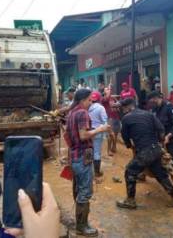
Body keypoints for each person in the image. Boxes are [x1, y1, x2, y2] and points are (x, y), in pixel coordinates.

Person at [116, 98, 173, 210]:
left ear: (128, 107)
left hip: (144, 151)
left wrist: (129, 145)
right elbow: (161, 129)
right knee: (160, 173)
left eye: (123, 107)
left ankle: (130, 201)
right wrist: (160, 143)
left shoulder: (126, 118)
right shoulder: (149, 114)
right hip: (156, 149)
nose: (123, 110)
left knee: (130, 171)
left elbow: (125, 136)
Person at [65, 89, 110, 236]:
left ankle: (81, 222)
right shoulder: (82, 113)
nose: (91, 103)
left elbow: (68, 135)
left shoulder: (71, 113)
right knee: (85, 191)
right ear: (83, 100)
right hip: (82, 155)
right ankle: (82, 226)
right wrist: (100, 129)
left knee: (78, 188)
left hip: (75, 155)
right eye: (90, 100)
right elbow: (84, 135)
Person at [147, 91, 173, 178]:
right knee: (161, 158)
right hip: (160, 138)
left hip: (171, 138)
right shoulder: (155, 109)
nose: (151, 103)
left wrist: (169, 136)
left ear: (156, 98)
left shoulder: (170, 107)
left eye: (152, 101)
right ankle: (166, 177)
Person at [88, 91, 108, 178]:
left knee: (89, 150)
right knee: (96, 152)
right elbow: (104, 121)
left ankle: (89, 171)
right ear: (99, 98)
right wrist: (106, 133)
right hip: (98, 132)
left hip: (88, 132)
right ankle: (96, 172)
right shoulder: (101, 108)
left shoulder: (86, 107)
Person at [101, 87, 121, 154]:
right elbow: (107, 98)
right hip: (109, 118)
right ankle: (109, 150)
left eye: (109, 89)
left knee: (115, 134)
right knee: (110, 134)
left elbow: (118, 107)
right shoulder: (103, 99)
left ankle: (114, 146)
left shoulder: (112, 98)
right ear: (104, 91)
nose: (109, 90)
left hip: (116, 117)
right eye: (107, 89)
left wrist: (117, 105)